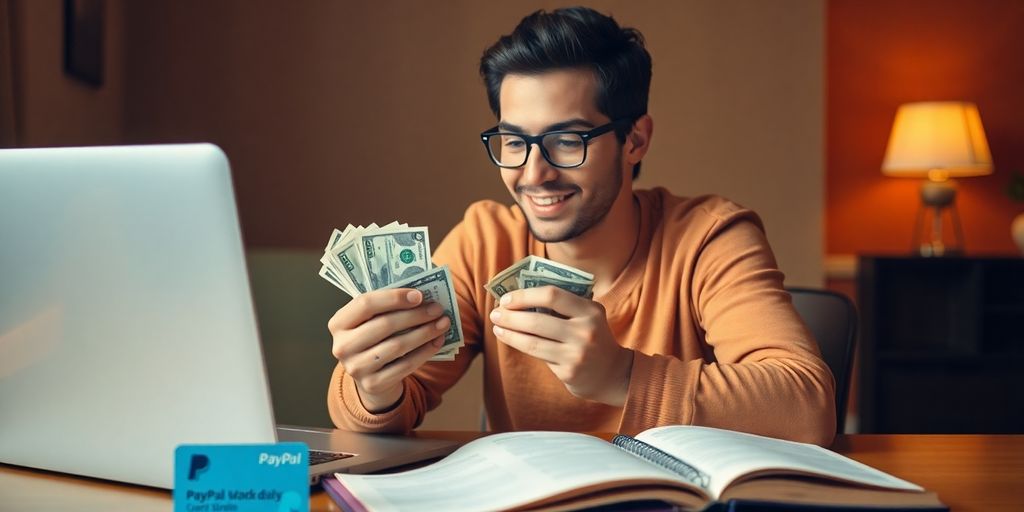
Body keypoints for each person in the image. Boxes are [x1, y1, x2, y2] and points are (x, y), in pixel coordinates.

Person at [326, 6, 835, 445]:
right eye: (512, 141)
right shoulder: (485, 241)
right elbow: (388, 409)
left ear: (635, 140)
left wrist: (622, 376)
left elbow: (807, 405)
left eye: (567, 141)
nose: (532, 173)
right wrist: (374, 387)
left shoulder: (710, 238)